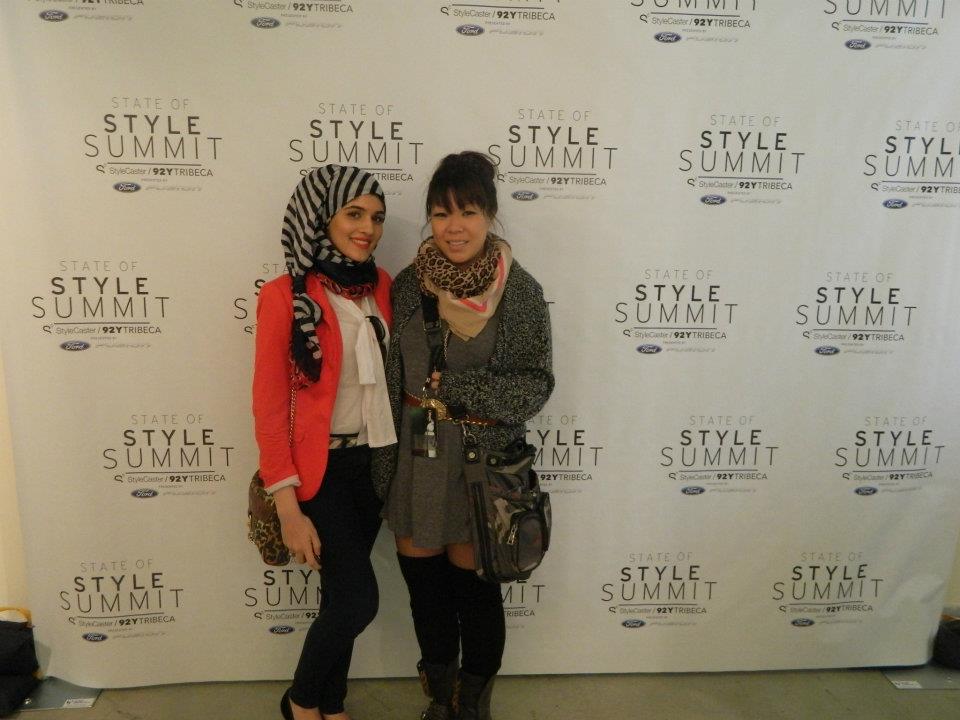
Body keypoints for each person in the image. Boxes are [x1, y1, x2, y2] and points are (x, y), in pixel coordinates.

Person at [372, 151, 554, 720]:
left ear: (490, 216)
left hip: (482, 465)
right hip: (416, 456)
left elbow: (534, 386)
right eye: (441, 213)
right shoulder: (409, 285)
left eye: (468, 212)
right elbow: (388, 379)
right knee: (425, 592)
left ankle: (471, 702)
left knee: (475, 592)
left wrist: (457, 388)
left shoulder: (519, 290)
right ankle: (439, 698)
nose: (454, 227)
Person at [253, 165, 394, 720]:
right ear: (321, 219)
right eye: (353, 214)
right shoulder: (283, 296)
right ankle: (300, 700)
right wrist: (287, 505)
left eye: (377, 217)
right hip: (320, 472)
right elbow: (269, 406)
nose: (368, 229)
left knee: (338, 597)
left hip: (375, 464)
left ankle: (330, 705)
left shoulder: (383, 287)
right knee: (359, 599)